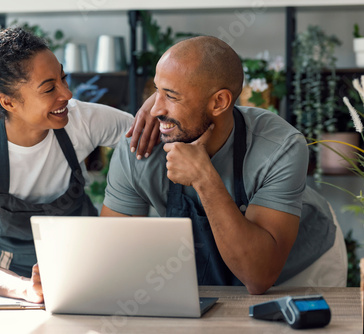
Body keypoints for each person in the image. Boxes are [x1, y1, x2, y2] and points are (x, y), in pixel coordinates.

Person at [100, 36, 347, 295]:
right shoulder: (140, 149)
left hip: (297, 271)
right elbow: (111, 257)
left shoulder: (279, 146)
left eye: (171, 96)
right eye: (156, 91)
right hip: (212, 277)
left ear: (219, 102)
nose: (155, 109)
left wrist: (204, 177)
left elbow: (259, 276)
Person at [0, 22, 158, 302]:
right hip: (14, 282)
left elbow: (149, 137)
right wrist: (27, 289)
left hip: (93, 269)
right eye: (49, 89)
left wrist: (156, 104)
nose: (67, 94)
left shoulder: (81, 120)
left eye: (63, 79)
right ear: (8, 102)